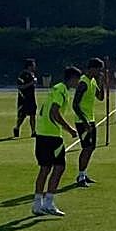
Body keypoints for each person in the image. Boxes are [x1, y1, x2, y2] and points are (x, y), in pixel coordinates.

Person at [33, 66, 81, 216]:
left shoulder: (57, 89)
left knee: (45, 168)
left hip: (42, 133)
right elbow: (55, 111)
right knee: (59, 167)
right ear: (72, 78)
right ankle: (48, 202)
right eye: (77, 79)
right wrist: (70, 129)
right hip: (52, 135)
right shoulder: (61, 91)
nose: (77, 82)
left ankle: (37, 204)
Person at [72, 58, 107, 187]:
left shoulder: (92, 81)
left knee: (91, 148)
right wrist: (84, 121)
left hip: (91, 119)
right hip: (82, 121)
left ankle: (84, 173)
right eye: (99, 70)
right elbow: (75, 104)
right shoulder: (83, 83)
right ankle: (80, 176)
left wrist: (101, 82)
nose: (100, 72)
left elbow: (100, 97)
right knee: (86, 148)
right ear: (92, 68)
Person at [14, 59, 38, 139]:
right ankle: (17, 128)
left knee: (32, 115)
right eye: (33, 65)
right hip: (24, 99)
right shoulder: (23, 75)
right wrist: (31, 83)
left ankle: (33, 131)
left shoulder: (32, 74)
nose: (34, 67)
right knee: (22, 116)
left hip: (31, 98)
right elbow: (20, 86)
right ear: (29, 66)